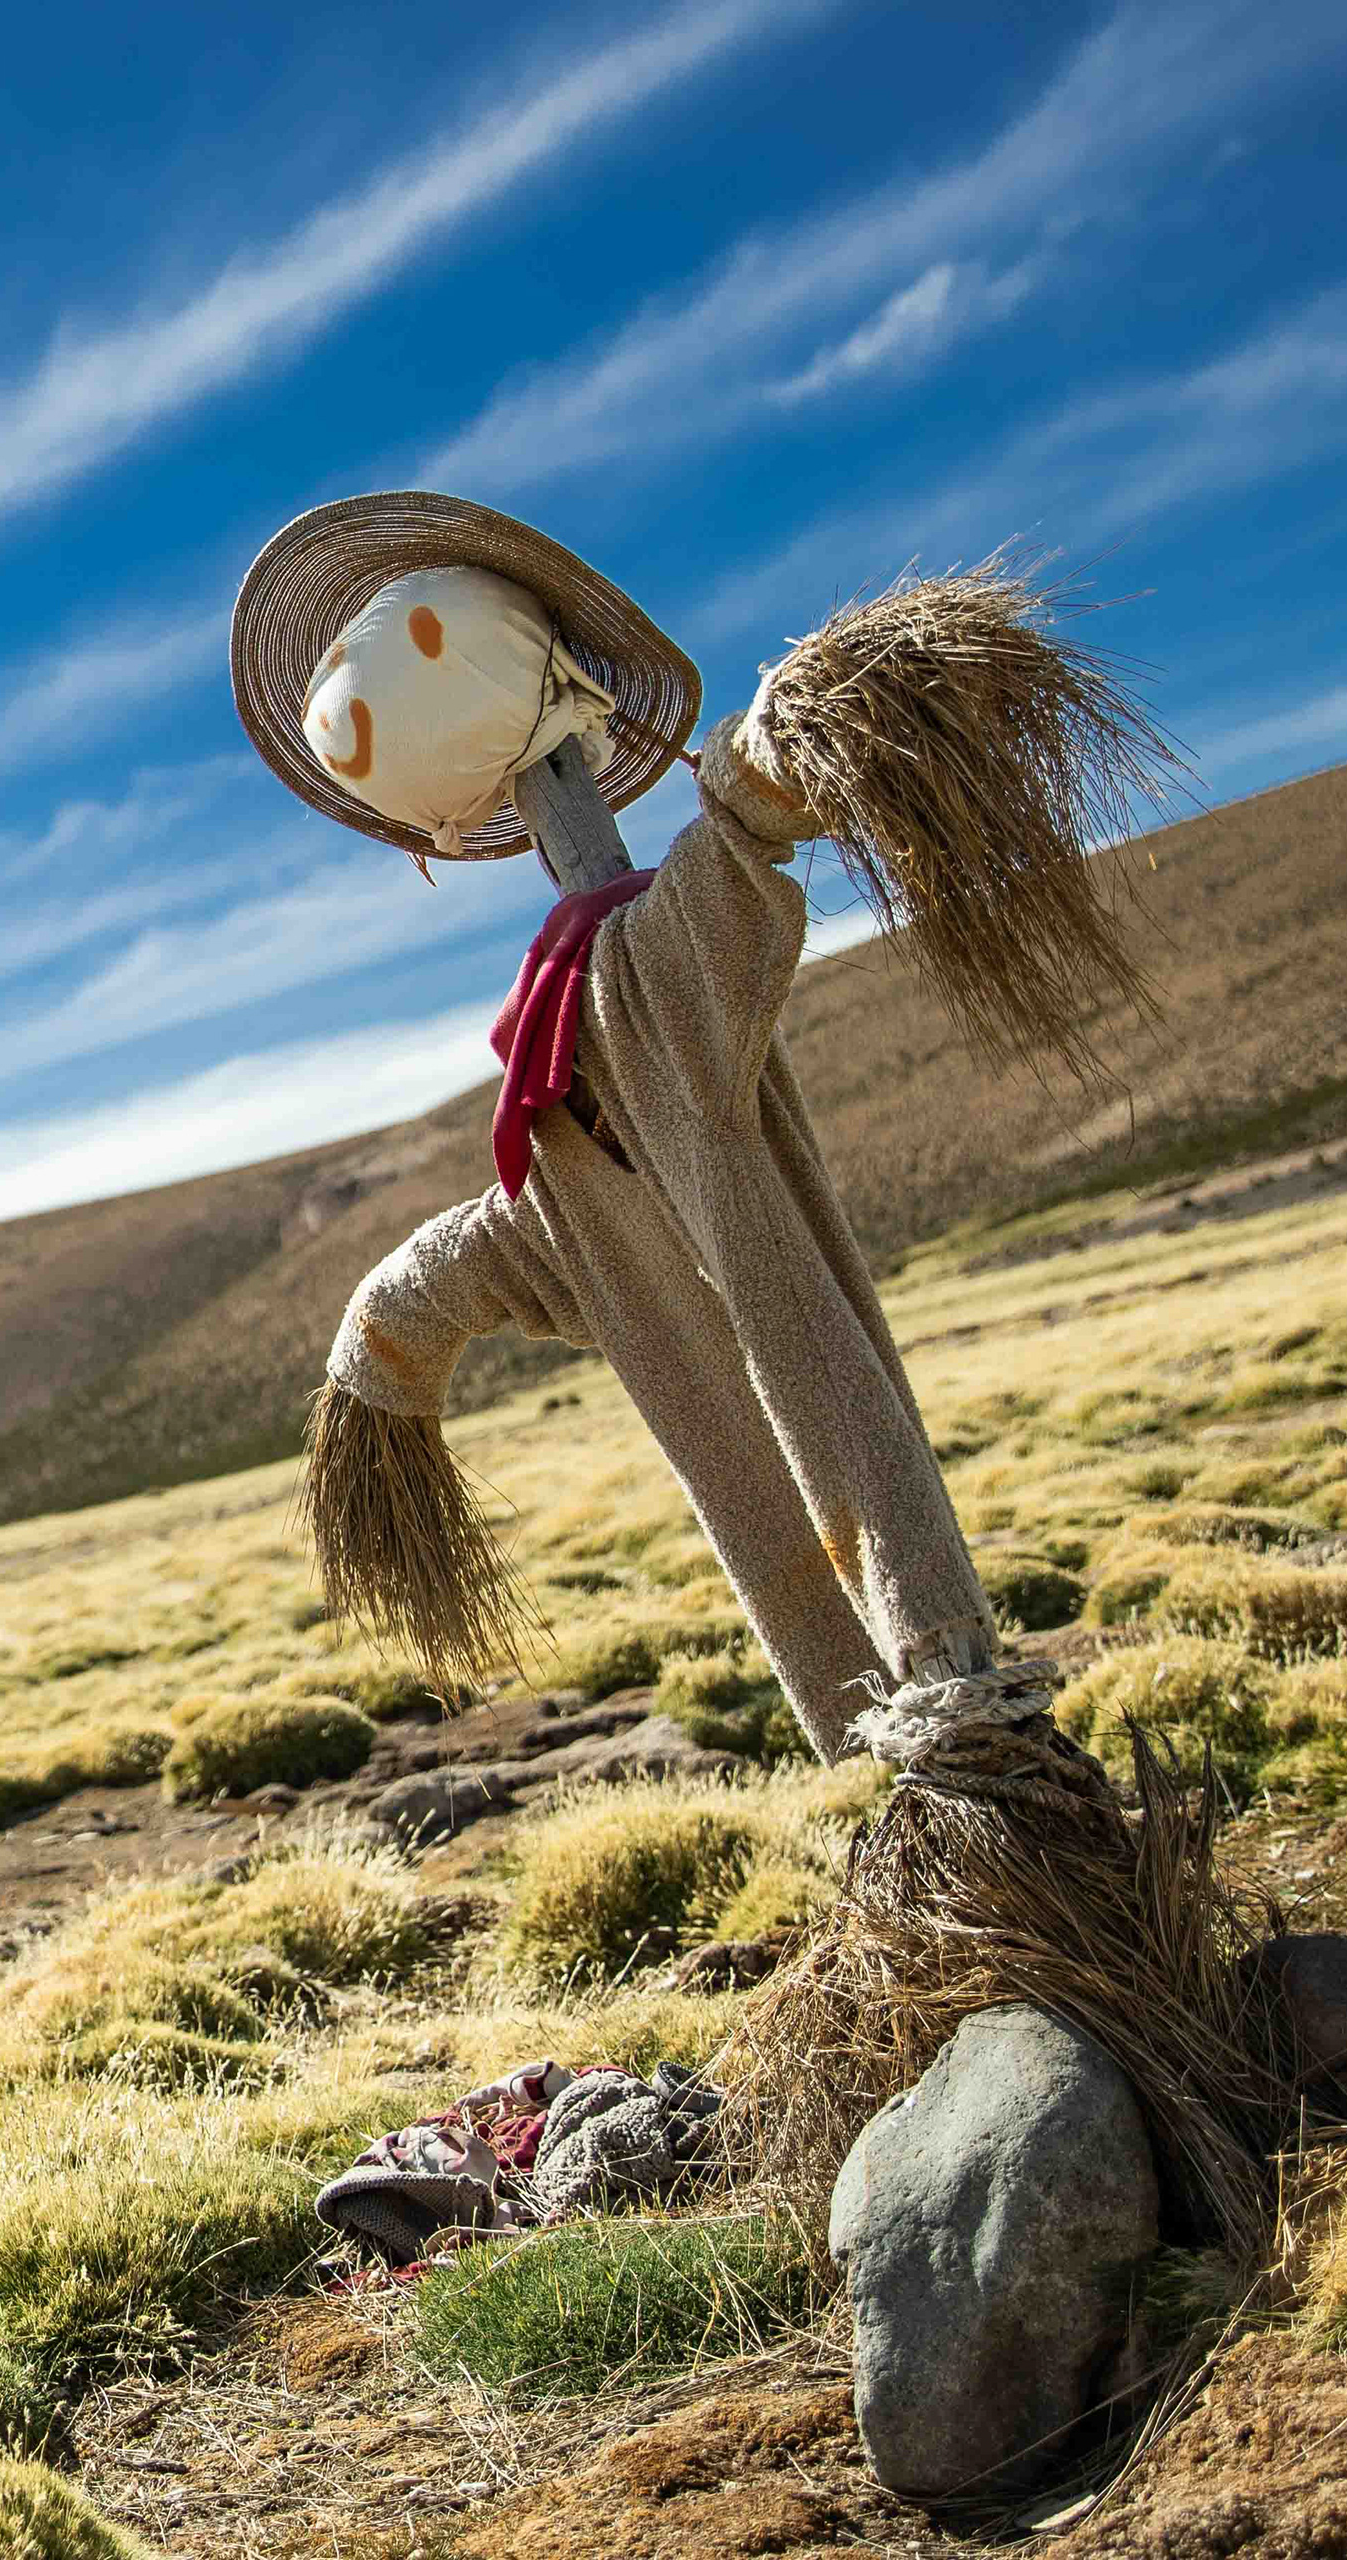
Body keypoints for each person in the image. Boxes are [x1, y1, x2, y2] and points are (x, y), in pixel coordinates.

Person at [230, 492, 1045, 1762]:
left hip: (897, 1710)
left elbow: (452, 1272)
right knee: (900, 1634)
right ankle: (948, 1761)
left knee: (881, 1657)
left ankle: (930, 1766)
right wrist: (797, 733)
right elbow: (745, 827)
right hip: (933, 1685)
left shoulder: (597, 1041)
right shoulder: (629, 1014)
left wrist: (373, 1369)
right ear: (563, 690)